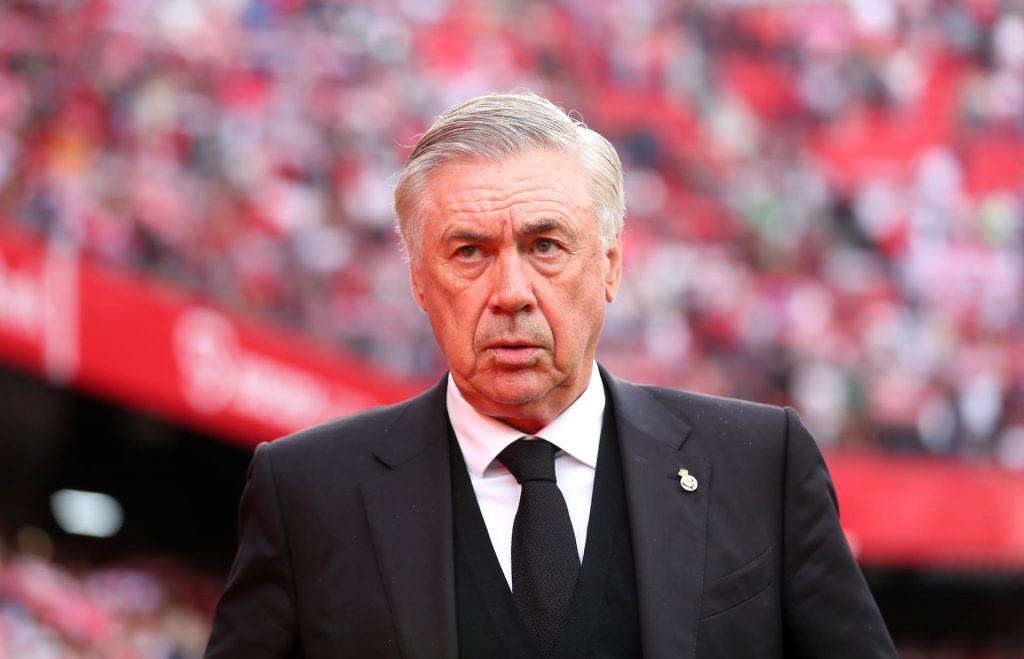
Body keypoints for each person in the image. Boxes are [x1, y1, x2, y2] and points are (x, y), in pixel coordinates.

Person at [204, 92, 898, 659]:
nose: (511, 292)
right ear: (418, 280)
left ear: (610, 266)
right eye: (469, 251)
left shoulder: (759, 464)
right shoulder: (306, 493)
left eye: (544, 245)